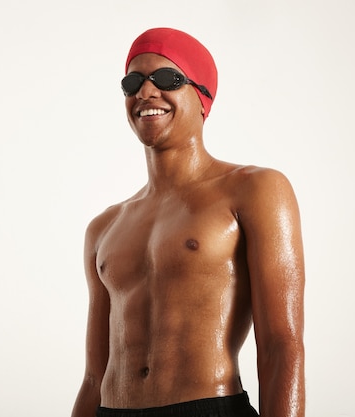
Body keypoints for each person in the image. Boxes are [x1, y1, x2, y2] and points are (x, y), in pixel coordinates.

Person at [71, 27, 305, 417]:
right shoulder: (104, 227)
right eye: (133, 82)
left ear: (202, 98)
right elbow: (95, 377)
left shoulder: (255, 190)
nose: (145, 92)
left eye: (167, 79)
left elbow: (282, 345)